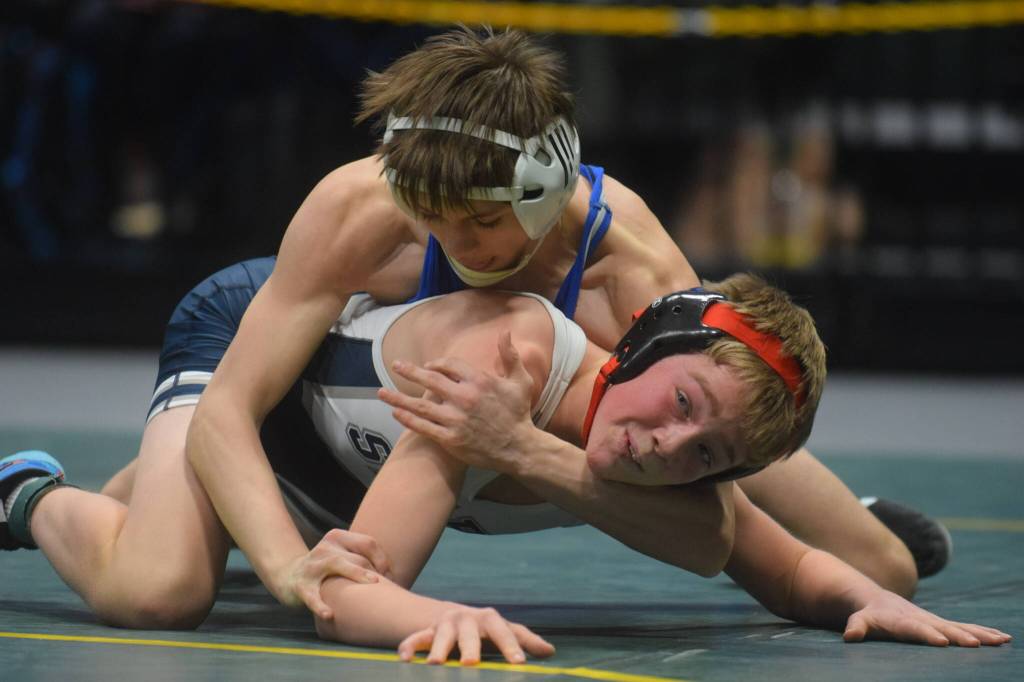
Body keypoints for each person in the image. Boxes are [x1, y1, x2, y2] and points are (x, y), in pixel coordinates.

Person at [1, 264, 1009, 662]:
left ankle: (145, 488)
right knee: (165, 588)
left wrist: (859, 599)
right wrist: (435, 617)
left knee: (178, 522)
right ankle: (27, 490)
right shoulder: (507, 366)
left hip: (337, 463)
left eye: (705, 453)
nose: (661, 447)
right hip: (258, 360)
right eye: (680, 406)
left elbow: (779, 563)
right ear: (647, 346)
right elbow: (351, 588)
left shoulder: (668, 468)